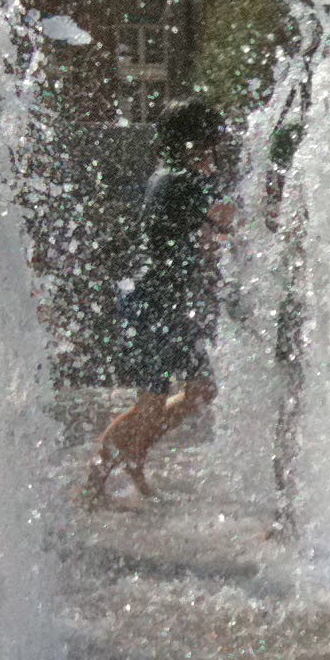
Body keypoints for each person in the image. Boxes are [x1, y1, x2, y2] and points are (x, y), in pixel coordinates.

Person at [84, 97, 234, 502]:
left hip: (174, 299)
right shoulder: (179, 180)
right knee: (149, 404)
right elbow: (225, 224)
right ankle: (93, 487)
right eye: (211, 138)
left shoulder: (172, 175)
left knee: (200, 389)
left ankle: (135, 455)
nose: (215, 147)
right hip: (153, 298)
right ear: (197, 140)